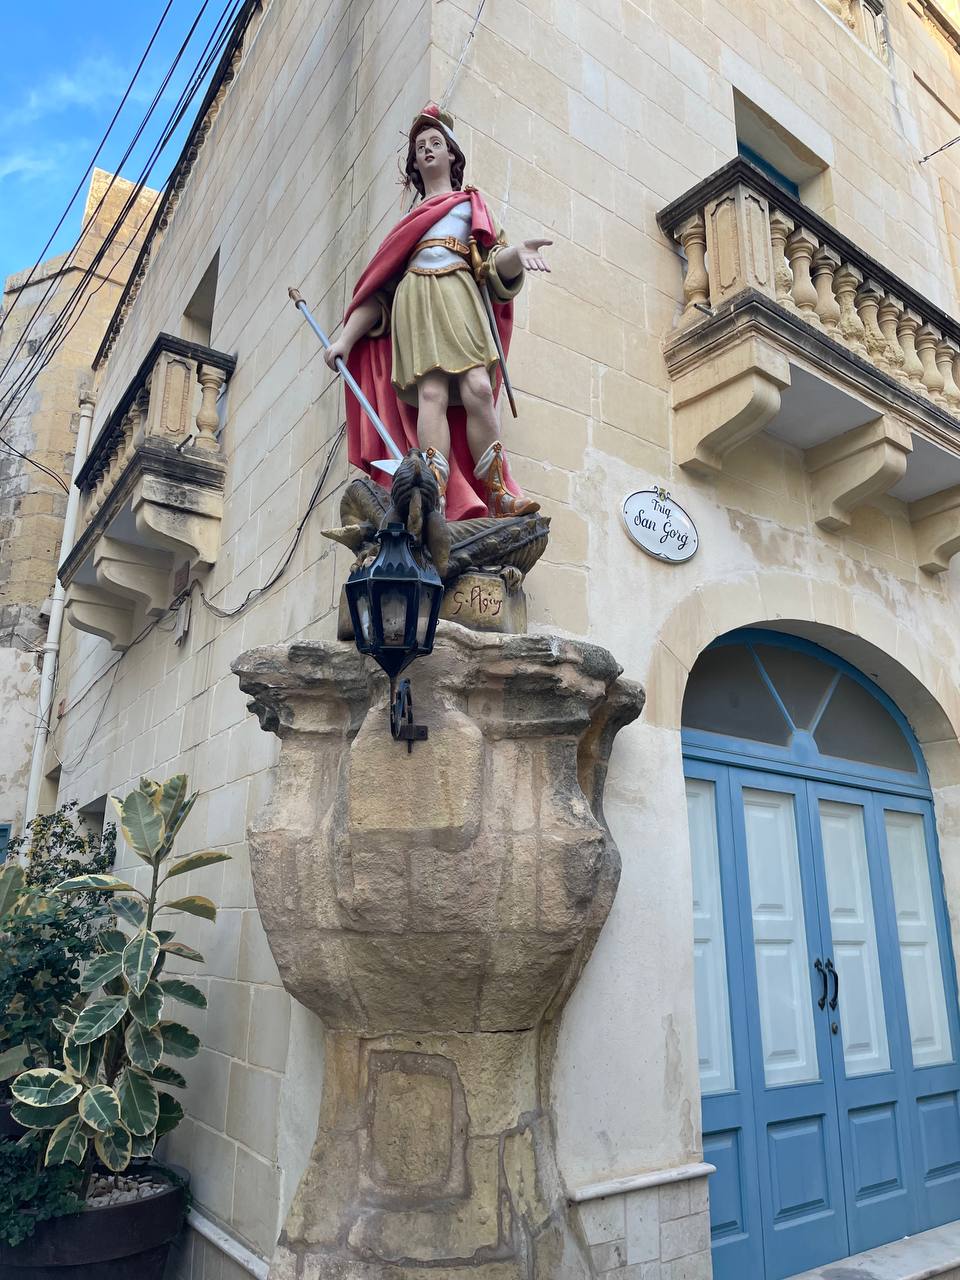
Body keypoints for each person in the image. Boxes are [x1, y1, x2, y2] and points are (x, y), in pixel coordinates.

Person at [323, 103, 552, 520]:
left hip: (459, 293)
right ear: (414, 162)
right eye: (420, 146)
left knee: (477, 388)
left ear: (451, 153)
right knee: (431, 394)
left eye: (435, 143)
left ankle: (497, 491)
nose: (427, 149)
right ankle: (435, 496)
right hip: (416, 299)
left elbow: (490, 263)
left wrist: (516, 255)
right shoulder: (408, 223)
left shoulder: (469, 205)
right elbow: (378, 291)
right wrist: (345, 340)